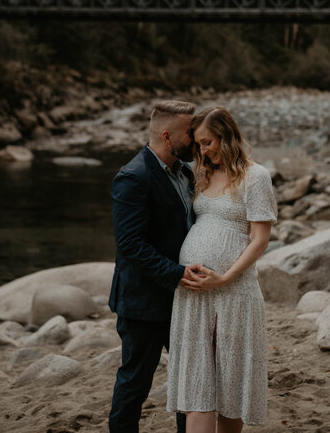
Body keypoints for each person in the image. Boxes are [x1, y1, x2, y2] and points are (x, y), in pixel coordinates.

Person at [167, 107, 278, 433]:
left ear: (226, 136)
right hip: (194, 292)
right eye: (199, 144)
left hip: (234, 290)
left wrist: (225, 277)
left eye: (209, 142)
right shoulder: (199, 174)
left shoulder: (255, 177)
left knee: (232, 377)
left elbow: (260, 240)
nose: (204, 151)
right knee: (198, 382)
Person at [108, 99, 204, 433]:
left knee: (188, 379)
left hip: (182, 298)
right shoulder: (133, 178)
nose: (196, 138)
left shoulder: (184, 172)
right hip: (144, 301)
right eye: (190, 133)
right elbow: (131, 245)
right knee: (135, 381)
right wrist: (177, 275)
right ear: (167, 135)